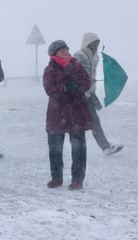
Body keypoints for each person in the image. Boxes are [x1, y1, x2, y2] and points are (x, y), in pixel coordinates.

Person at [43, 40, 93, 190]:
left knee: (78, 148)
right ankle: (56, 178)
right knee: (55, 148)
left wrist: (78, 85)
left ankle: (77, 179)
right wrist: (64, 87)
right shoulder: (50, 69)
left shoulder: (76, 65)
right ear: (54, 53)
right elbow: (49, 89)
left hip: (76, 112)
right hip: (57, 113)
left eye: (66, 48)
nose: (65, 51)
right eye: (61, 50)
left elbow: (86, 82)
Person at [74, 32, 123, 156]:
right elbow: (72, 73)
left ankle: (106, 147)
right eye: (94, 42)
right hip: (79, 95)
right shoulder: (79, 55)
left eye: (97, 42)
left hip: (90, 94)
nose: (96, 45)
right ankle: (77, 150)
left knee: (95, 122)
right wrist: (84, 81)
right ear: (88, 42)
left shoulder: (95, 57)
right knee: (77, 125)